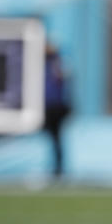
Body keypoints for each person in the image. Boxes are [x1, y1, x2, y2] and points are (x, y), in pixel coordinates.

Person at [43, 44, 71, 178]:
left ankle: (58, 169)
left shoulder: (58, 62)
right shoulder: (39, 62)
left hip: (55, 107)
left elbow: (64, 79)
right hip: (44, 106)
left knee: (56, 138)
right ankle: (55, 167)